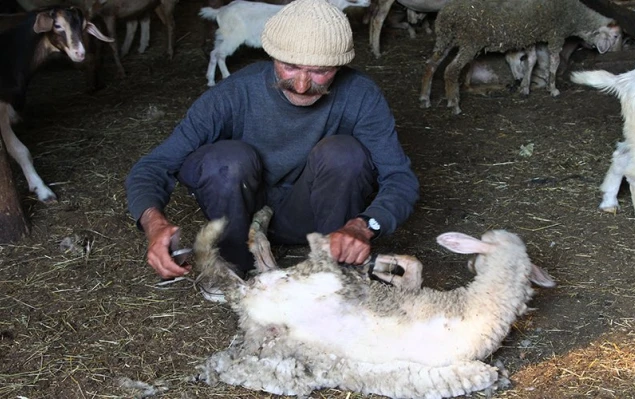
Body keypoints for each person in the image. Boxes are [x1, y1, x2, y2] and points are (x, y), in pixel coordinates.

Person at [125, 0, 419, 279]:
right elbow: (154, 166)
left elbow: (400, 178)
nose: (302, 85)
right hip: (237, 214)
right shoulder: (234, 93)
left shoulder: (361, 95)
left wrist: (364, 226)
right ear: (270, 54)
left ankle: (335, 269)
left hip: (311, 217)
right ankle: (230, 266)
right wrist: (154, 224)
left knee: (345, 153)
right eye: (289, 66)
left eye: (320, 72)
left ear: (340, 65)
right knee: (226, 159)